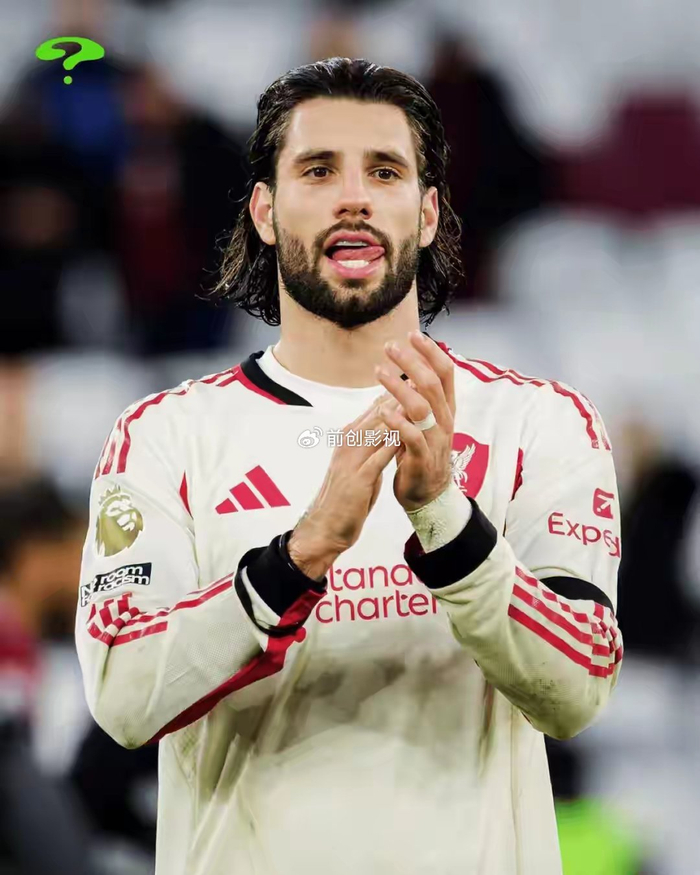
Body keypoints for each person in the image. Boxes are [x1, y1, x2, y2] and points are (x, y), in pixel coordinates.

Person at [75, 57, 623, 875]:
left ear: (428, 214)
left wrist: (444, 516)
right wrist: (299, 556)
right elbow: (123, 697)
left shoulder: (538, 423)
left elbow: (577, 687)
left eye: (385, 171)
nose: (354, 197)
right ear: (265, 211)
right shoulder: (164, 436)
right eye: (319, 169)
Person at [0, 478, 96, 875]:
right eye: (82, 551)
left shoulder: (37, 653)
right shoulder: (8, 645)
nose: (93, 575)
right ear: (35, 557)